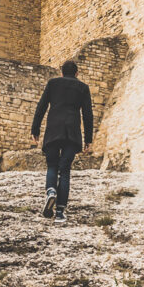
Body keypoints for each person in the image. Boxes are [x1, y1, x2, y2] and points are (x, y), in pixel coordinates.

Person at [31, 60, 93, 223]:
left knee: (52, 165)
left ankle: (51, 191)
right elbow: (88, 115)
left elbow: (41, 107)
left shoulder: (53, 84)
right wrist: (88, 139)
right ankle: (59, 212)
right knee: (64, 170)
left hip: (53, 130)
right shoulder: (83, 88)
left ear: (61, 72)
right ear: (77, 73)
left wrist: (35, 130)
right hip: (72, 133)